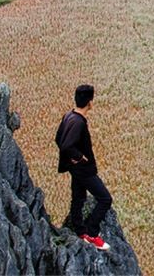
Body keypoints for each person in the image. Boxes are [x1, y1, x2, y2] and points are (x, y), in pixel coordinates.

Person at [55, 84, 112, 251]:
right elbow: (66, 145)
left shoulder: (68, 116)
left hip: (76, 169)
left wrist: (71, 159)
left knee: (78, 198)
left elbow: (58, 139)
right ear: (90, 102)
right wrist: (79, 157)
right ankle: (92, 234)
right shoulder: (78, 122)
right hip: (84, 170)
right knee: (105, 199)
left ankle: (80, 231)